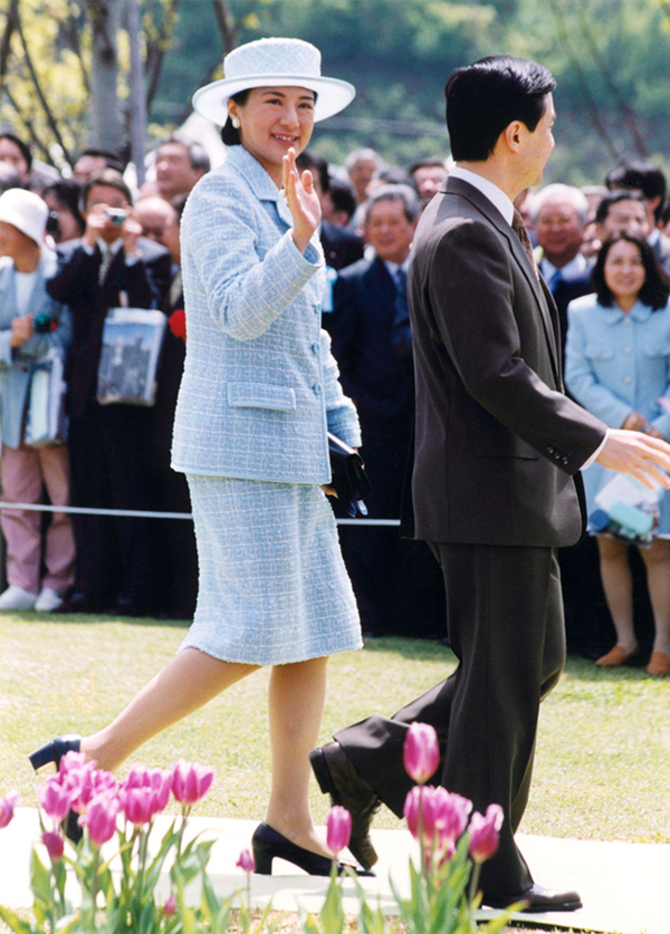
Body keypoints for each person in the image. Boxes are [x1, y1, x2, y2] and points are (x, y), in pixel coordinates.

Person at [308, 55, 670, 912]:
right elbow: (496, 373)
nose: (554, 139)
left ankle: (363, 758)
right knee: (507, 681)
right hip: (486, 493)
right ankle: (481, 866)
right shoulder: (465, 227)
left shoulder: (478, 217)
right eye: (547, 125)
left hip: (505, 491)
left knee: (527, 663)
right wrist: (599, 442)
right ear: (514, 135)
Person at [30, 36, 368, 877]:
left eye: (303, 104)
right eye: (272, 103)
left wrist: (341, 419)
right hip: (237, 441)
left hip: (294, 439)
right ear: (234, 112)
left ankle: (289, 817)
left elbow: (303, 332)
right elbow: (239, 313)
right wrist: (298, 241)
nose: (291, 119)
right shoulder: (219, 196)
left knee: (310, 631)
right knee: (246, 629)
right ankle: (95, 759)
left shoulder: (290, 193)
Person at [45, 168, 172, 615]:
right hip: (83, 390)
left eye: (116, 205)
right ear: (84, 211)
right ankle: (89, 587)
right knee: (88, 492)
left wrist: (131, 250)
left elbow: (150, 305)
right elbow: (59, 291)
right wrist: (90, 242)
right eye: (98, 206)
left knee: (129, 492)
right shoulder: (74, 254)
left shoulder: (152, 255)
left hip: (130, 393)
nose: (109, 214)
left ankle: (134, 591)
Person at [328, 184, 445, 638]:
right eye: (376, 223)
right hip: (372, 425)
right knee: (370, 527)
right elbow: (340, 355)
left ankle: (422, 621)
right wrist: (364, 408)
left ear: (414, 225)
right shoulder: (353, 281)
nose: (386, 231)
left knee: (424, 524)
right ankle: (370, 620)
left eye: (394, 222)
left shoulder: (434, 273)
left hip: (429, 423)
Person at [565, 233, 670, 677]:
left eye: (634, 261)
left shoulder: (666, 312)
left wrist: (654, 429)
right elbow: (577, 376)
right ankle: (624, 640)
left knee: (657, 548)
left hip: (660, 451)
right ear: (602, 268)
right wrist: (623, 419)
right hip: (608, 449)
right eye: (616, 262)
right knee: (610, 545)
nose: (625, 270)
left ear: (647, 267)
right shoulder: (582, 312)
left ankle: (662, 645)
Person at [0, 188, 75, 612]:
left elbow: (71, 332)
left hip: (52, 402)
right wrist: (12, 340)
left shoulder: (62, 272)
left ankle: (58, 582)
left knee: (63, 497)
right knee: (15, 496)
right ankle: (22, 581)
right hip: (11, 403)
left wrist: (40, 341)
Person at [531, 183, 593, 345]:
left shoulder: (599, 279)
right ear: (534, 228)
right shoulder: (526, 278)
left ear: (584, 227)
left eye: (564, 220)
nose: (555, 229)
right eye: (546, 221)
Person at [154, 136, 210, 204]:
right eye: (159, 160)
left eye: (173, 161)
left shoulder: (208, 211)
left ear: (197, 173)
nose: (162, 167)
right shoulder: (143, 207)